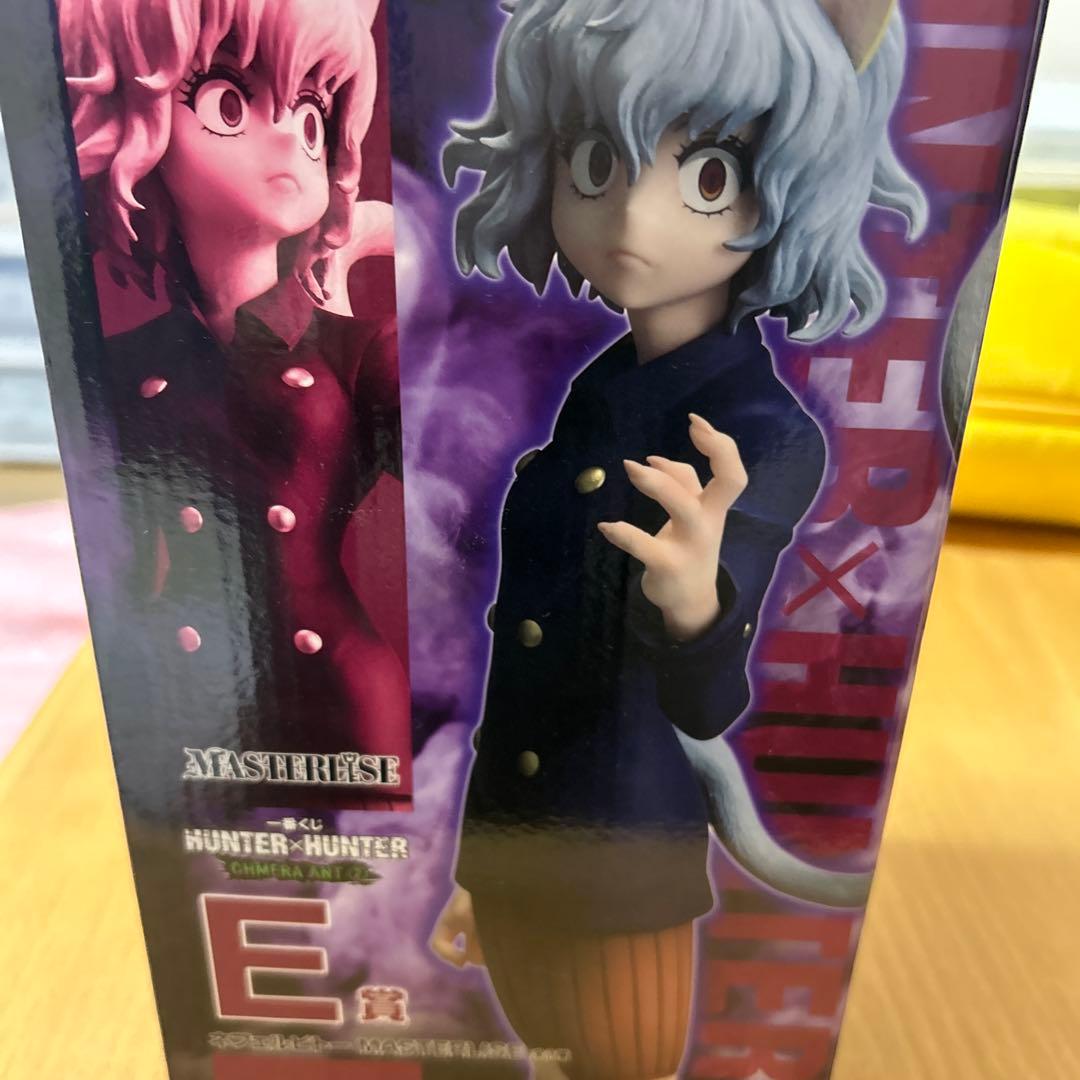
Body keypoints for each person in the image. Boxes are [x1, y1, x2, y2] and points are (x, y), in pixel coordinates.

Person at [431, 1, 925, 1077]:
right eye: (596, 160)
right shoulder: (599, 389)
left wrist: (697, 603)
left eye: (708, 176)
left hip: (623, 861)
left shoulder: (761, 432)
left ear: (793, 188)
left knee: (623, 1063)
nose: (630, 217)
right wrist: (481, 870)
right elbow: (528, 663)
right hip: (522, 847)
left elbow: (704, 705)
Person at [56, 0, 408, 1057]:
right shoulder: (127, 363)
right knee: (236, 960)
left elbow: (472, 471)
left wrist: (394, 252)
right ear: (137, 125)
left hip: (340, 700)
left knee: (372, 962)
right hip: (197, 701)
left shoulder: (351, 349)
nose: (292, 141)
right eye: (227, 101)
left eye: (313, 112)